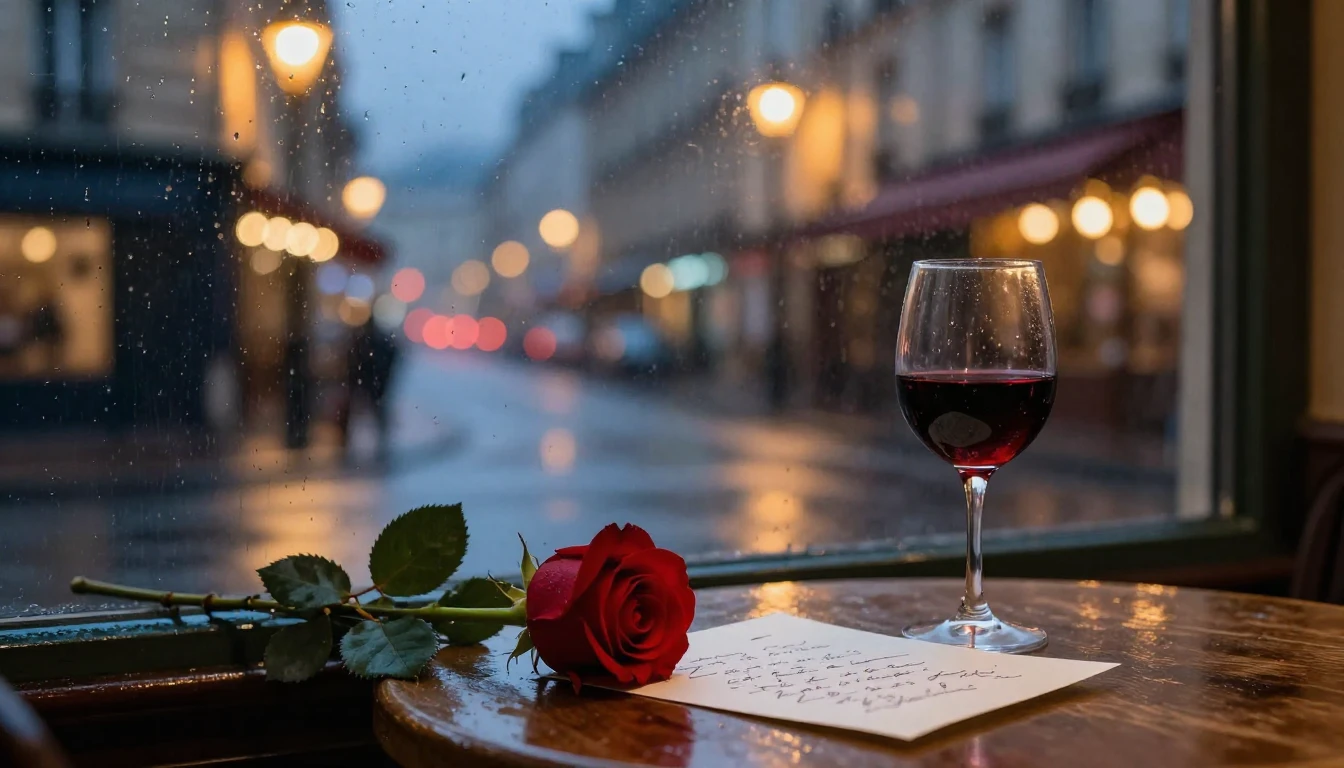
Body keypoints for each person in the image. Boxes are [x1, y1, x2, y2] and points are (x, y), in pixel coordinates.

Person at [341, 319, 402, 461]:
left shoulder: (364, 341)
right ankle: (379, 447)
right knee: (375, 416)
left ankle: (351, 446)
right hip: (372, 385)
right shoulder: (375, 342)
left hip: (367, 384)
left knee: (371, 416)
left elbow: (354, 361)